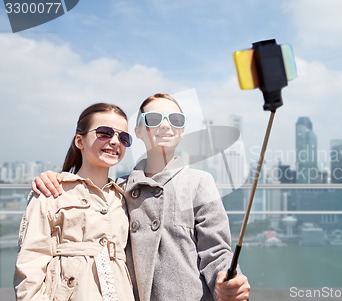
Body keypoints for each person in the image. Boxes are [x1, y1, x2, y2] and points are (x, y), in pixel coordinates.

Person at [32, 93, 251, 301]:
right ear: (138, 131)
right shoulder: (118, 190)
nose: (166, 125)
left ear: (182, 130)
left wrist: (228, 282)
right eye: (154, 119)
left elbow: (215, 250)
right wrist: (54, 179)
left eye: (175, 119)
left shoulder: (199, 182)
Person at [15, 103, 135, 301]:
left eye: (123, 137)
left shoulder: (125, 197)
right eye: (104, 133)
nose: (115, 141)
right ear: (80, 140)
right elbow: (31, 263)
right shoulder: (52, 191)